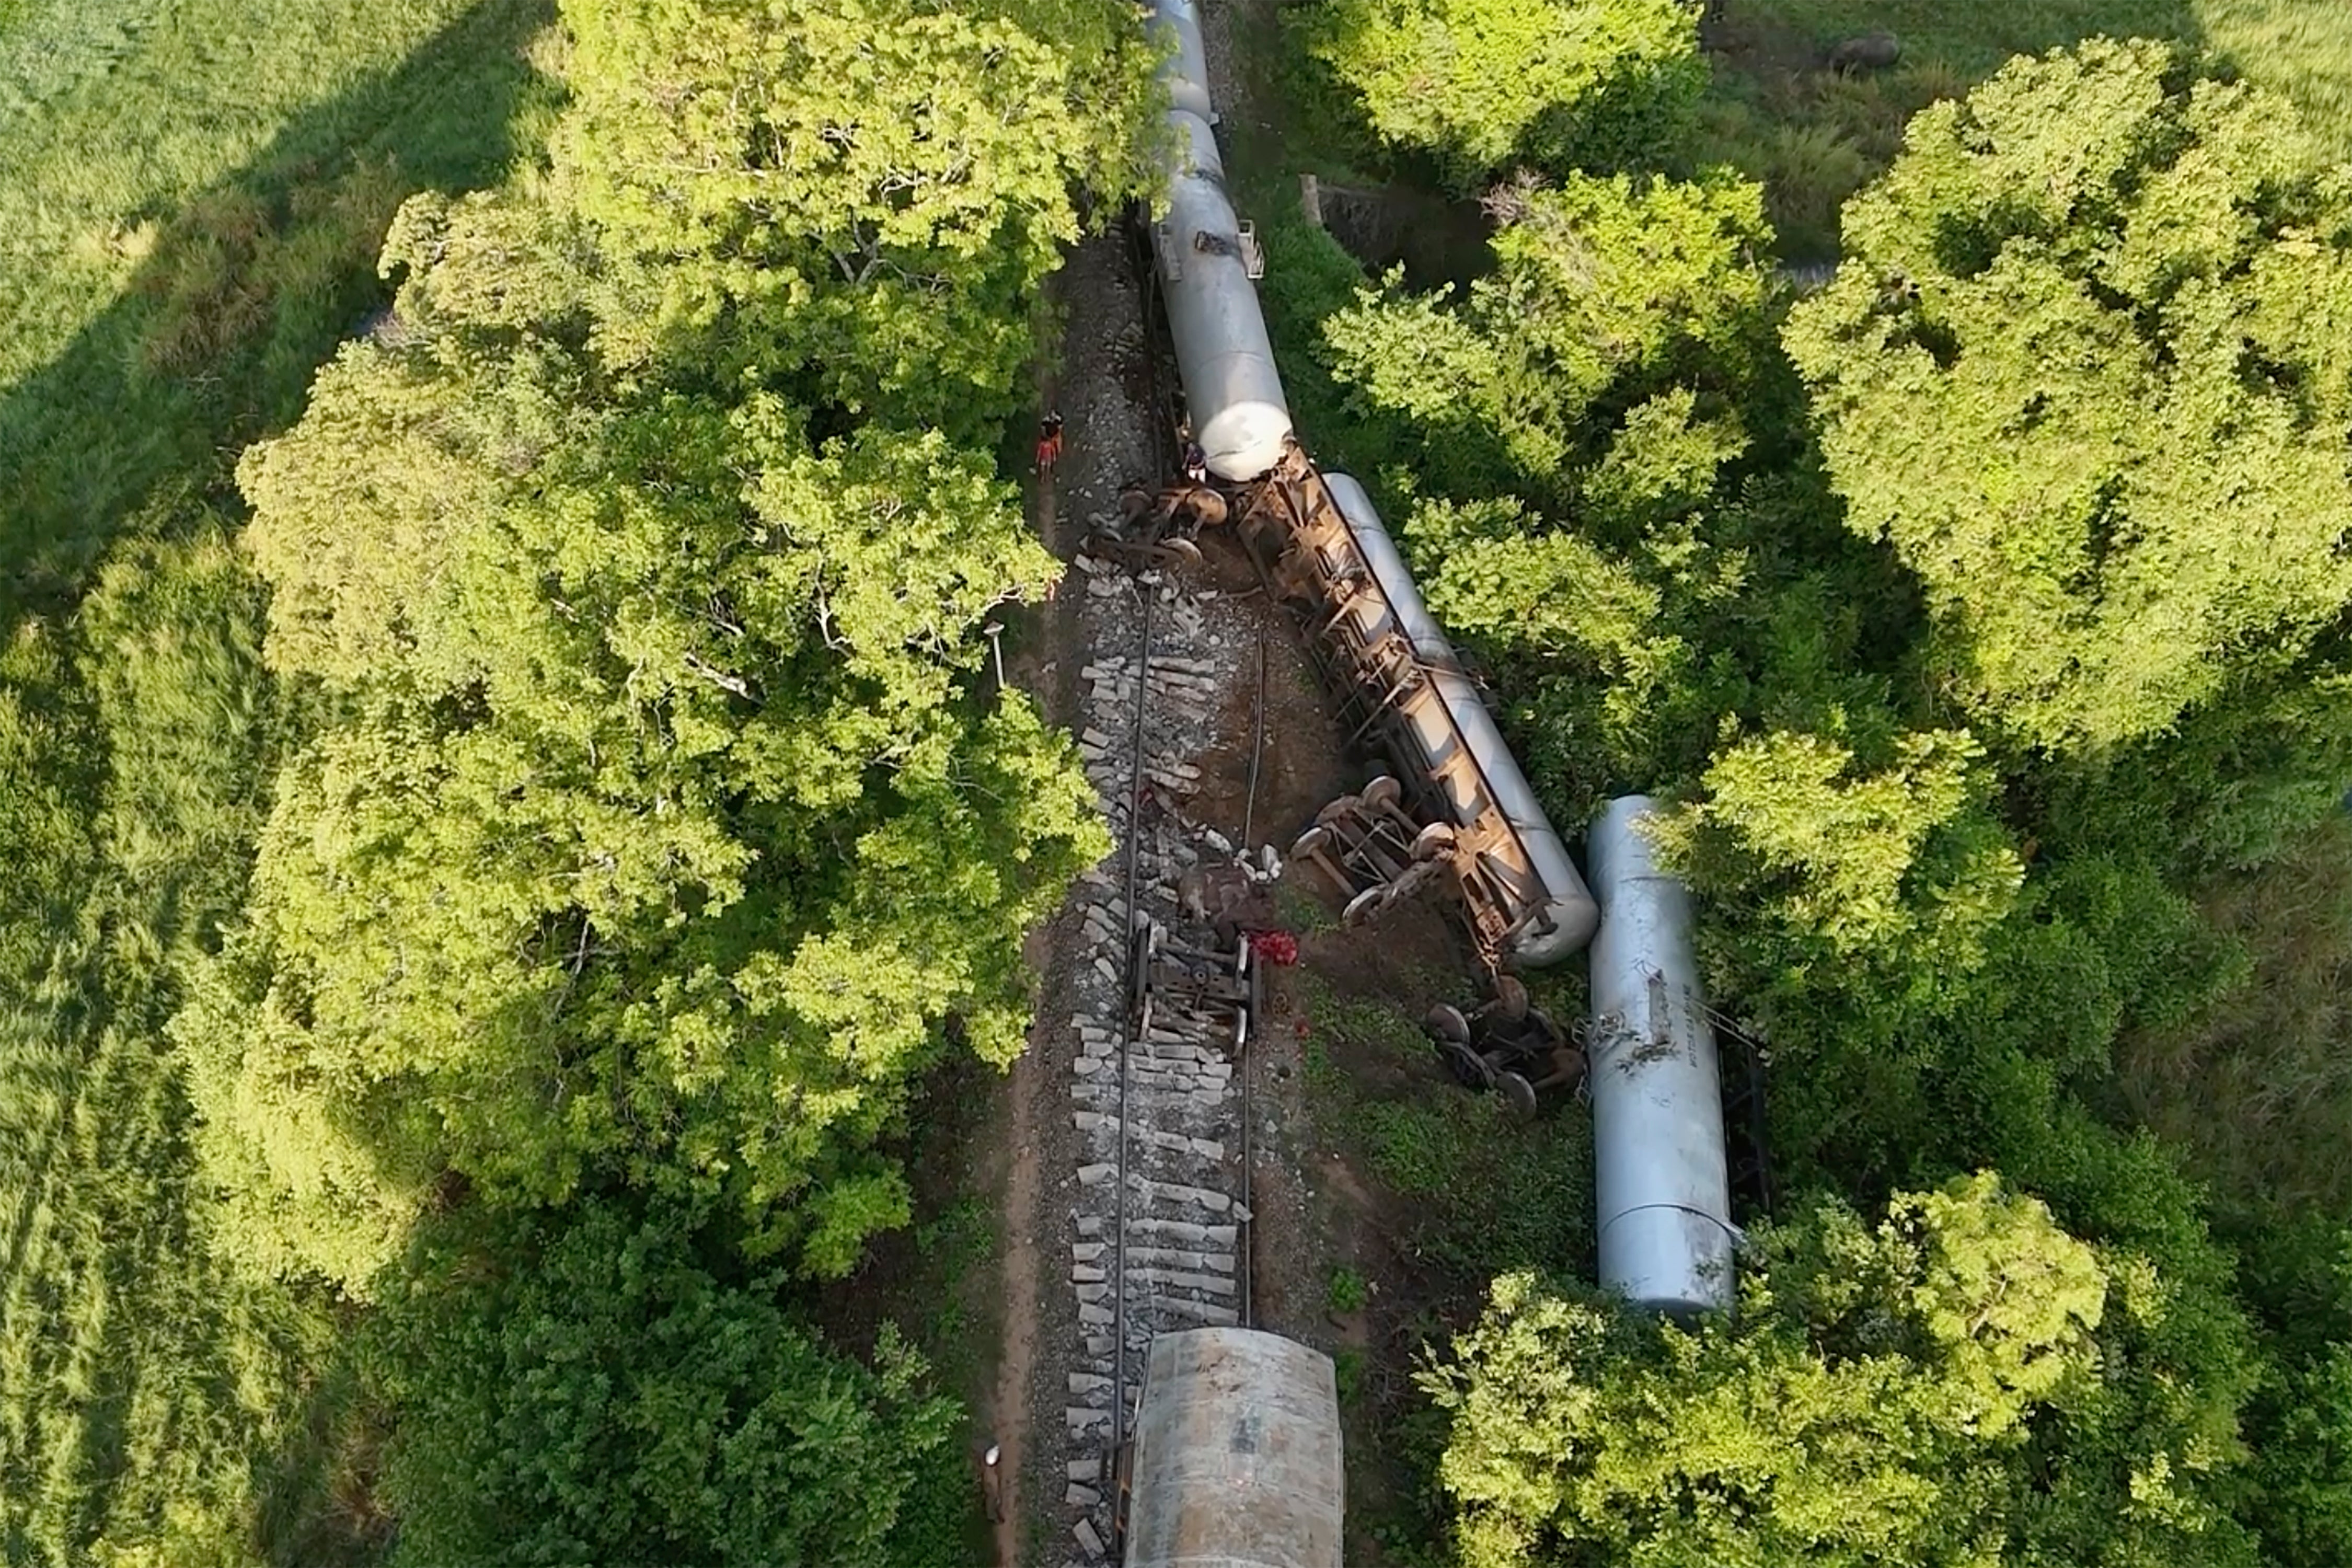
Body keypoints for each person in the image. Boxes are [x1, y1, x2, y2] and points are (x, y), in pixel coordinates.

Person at [1035, 411, 1064, 475]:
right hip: (1047, 436)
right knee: (1042, 446)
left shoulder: (1058, 420)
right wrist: (1046, 437)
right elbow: (1043, 430)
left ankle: (1055, 463)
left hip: (1056, 435)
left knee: (1058, 448)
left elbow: (1060, 429)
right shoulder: (1045, 421)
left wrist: (1056, 436)